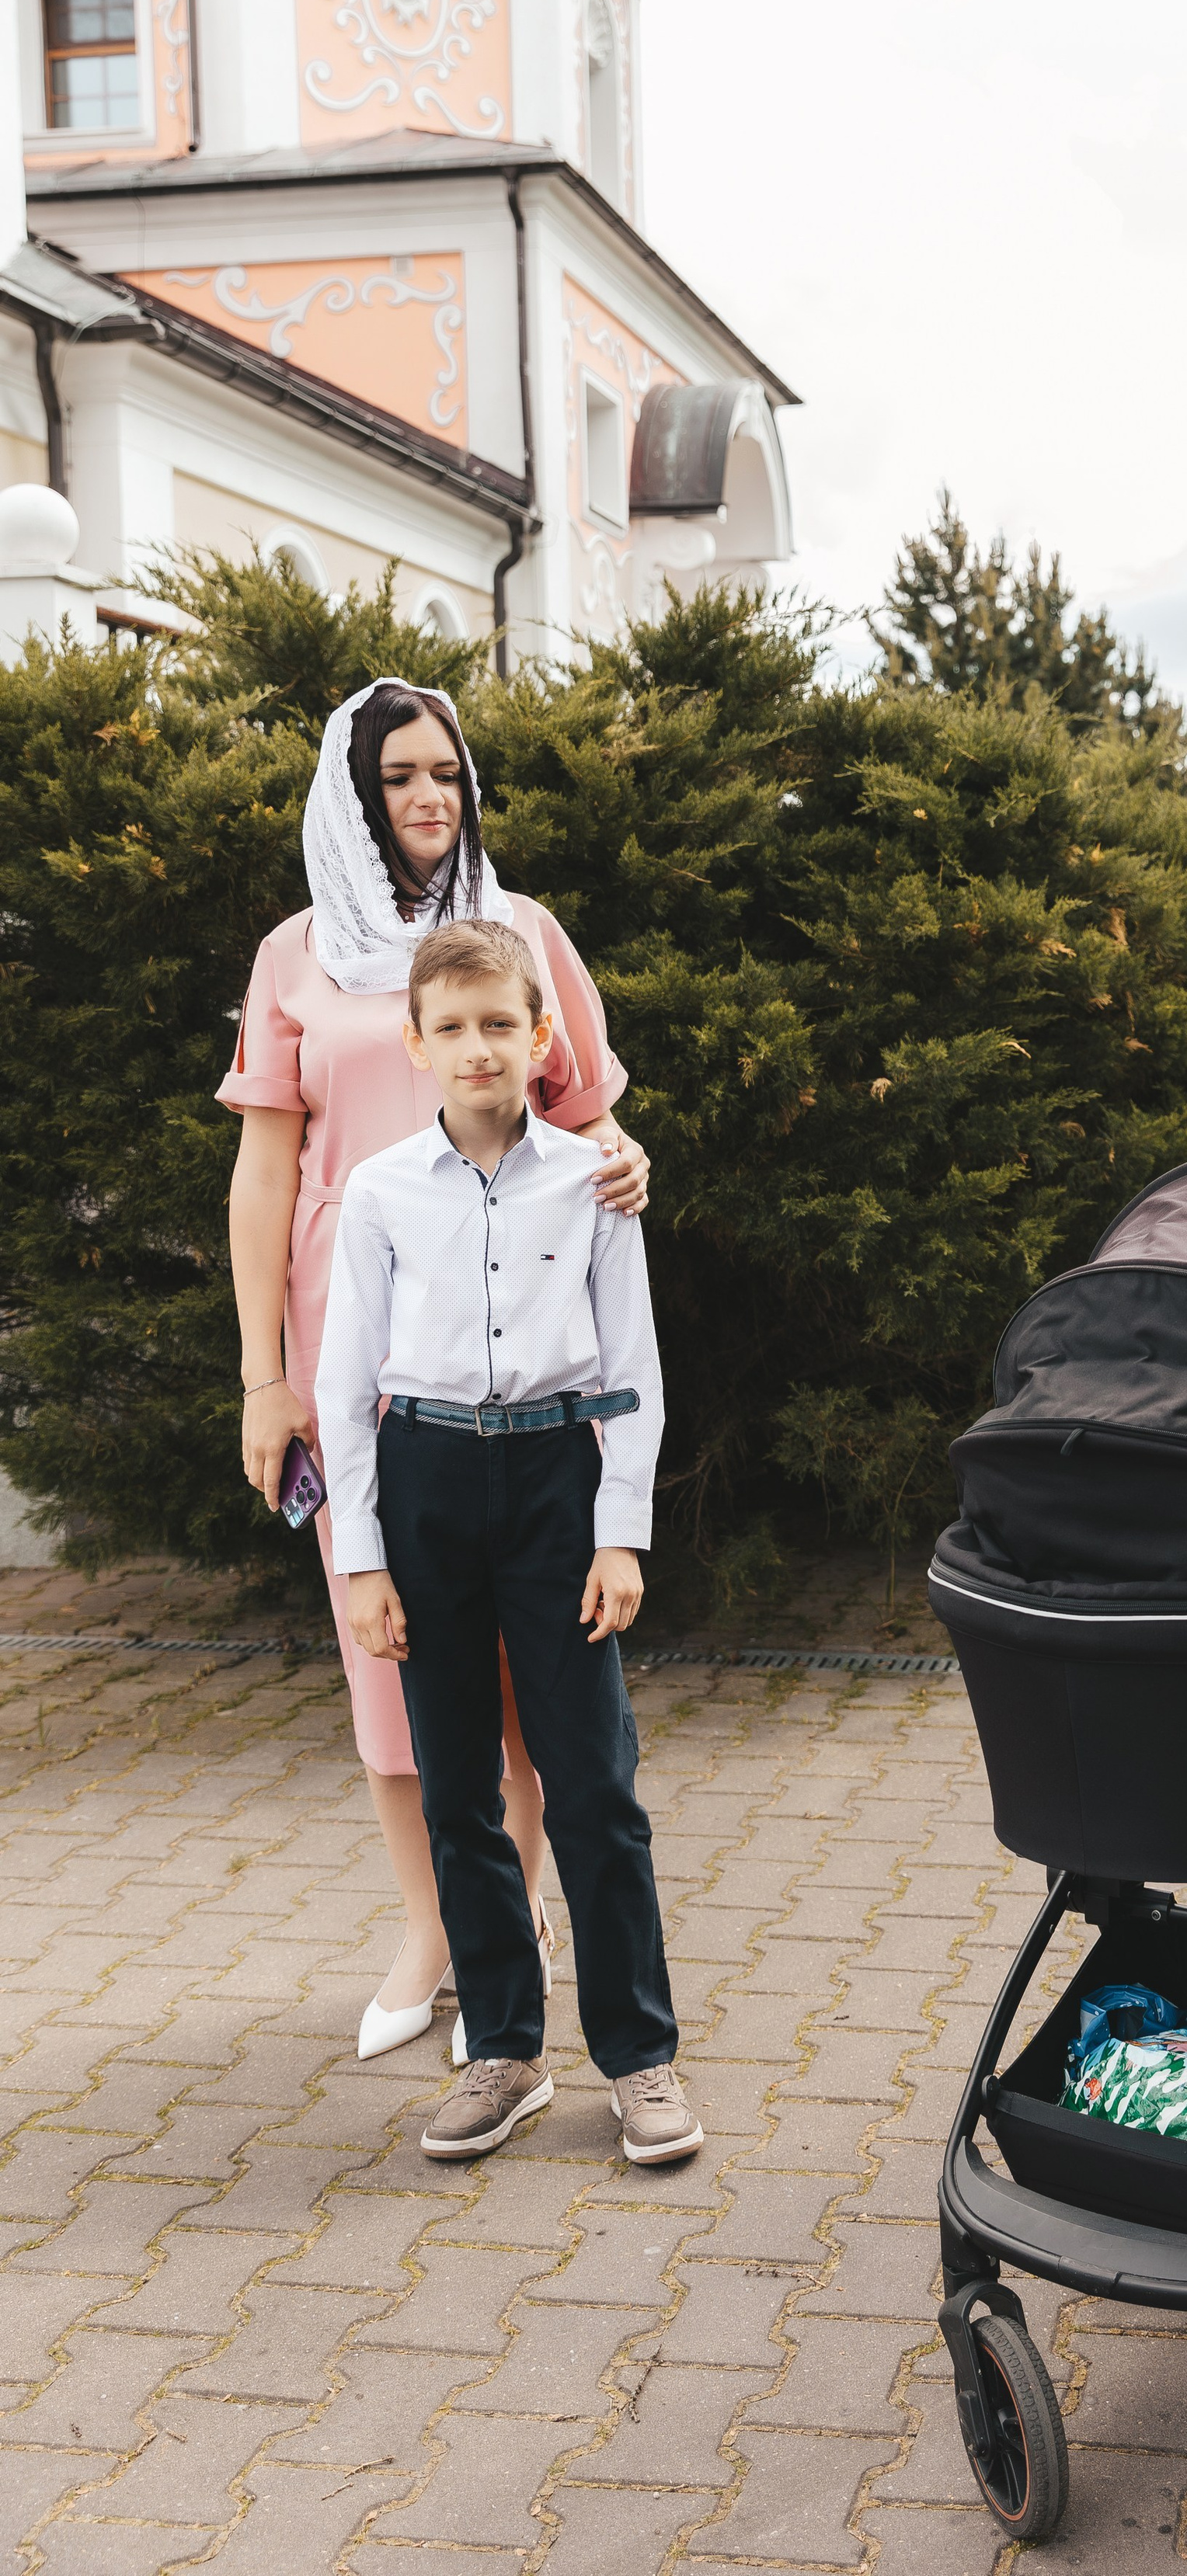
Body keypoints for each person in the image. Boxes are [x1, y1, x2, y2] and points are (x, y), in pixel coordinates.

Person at [219, 678, 649, 2062]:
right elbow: (266, 1165)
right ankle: (432, 1926)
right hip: (364, 1365)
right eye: (400, 773)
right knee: (395, 1656)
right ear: (353, 791)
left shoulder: (520, 935)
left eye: (448, 773)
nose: (429, 795)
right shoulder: (295, 953)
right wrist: (263, 1375)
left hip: (521, 1372)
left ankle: (511, 1923)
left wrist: (634, 1162)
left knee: (534, 1673)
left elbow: (591, 1119)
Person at [316, 916, 696, 2164]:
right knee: (459, 1789)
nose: (477, 1048)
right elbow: (343, 1388)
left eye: (499, 1025)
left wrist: (620, 1534)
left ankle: (640, 2061)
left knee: (593, 1787)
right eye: (451, 1028)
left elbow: (631, 1366)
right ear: (415, 1047)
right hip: (424, 1483)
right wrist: (363, 1557)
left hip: (553, 1481)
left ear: (542, 1040)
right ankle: (502, 2053)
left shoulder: (594, 1179)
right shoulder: (377, 1194)